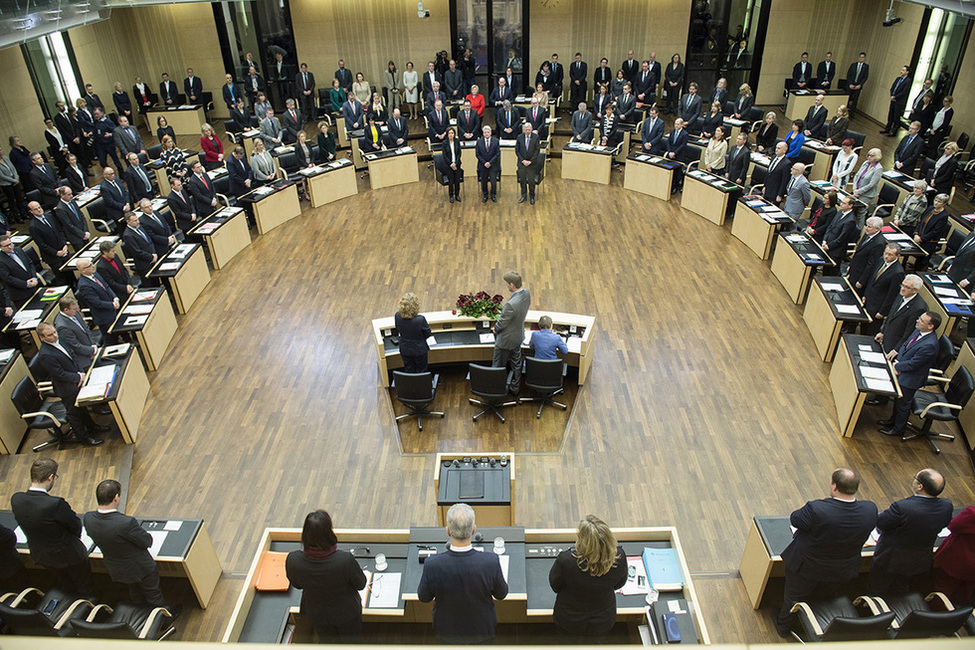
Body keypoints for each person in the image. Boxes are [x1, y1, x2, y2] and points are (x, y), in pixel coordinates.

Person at [774, 468, 877, 637]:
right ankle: (820, 620)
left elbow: (795, 519)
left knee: (793, 597)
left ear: (834, 487)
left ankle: (783, 627)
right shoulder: (869, 509)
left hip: (807, 567)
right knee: (826, 594)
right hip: (842, 568)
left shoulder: (817, 509)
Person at [417, 503, 508, 644]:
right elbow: (501, 594)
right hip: (481, 631)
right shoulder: (491, 561)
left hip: (446, 632)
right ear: (473, 530)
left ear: (448, 531)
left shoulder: (432, 564)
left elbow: (424, 597)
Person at [11, 458, 96, 595]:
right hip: (70, 556)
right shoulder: (55, 504)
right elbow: (75, 526)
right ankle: (87, 606)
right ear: (50, 477)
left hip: (42, 555)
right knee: (84, 585)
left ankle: (69, 599)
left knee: (64, 581)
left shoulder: (16, 499)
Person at [84, 479, 169, 607]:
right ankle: (164, 621)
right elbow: (146, 541)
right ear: (116, 498)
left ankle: (140, 614)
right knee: (153, 595)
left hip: (117, 568)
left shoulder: (88, 518)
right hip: (140, 568)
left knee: (134, 593)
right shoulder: (126, 523)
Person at [285, 509, 366, 641]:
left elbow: (297, 585)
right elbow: (360, 584)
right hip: (347, 613)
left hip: (317, 613)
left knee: (328, 642)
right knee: (352, 643)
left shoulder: (293, 560)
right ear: (329, 532)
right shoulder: (344, 560)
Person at [869, 469, 953, 596]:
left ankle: (874, 612)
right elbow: (944, 523)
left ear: (920, 486)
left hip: (890, 560)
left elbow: (881, 523)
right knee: (901, 588)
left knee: (878, 589)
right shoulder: (947, 506)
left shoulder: (902, 507)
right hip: (918, 560)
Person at [549, 515, 627, 639]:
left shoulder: (566, 560)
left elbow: (555, 585)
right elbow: (620, 583)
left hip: (569, 619)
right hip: (602, 620)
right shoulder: (619, 557)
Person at [876, 311, 942, 437]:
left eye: (922, 320)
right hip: (903, 368)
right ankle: (892, 421)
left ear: (930, 326)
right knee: (897, 401)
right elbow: (905, 345)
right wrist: (899, 361)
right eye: (919, 318)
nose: (917, 321)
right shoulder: (918, 331)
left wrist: (898, 366)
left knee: (903, 405)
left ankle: (898, 429)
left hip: (911, 379)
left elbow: (914, 364)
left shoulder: (930, 345)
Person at [493, 269, 531, 393]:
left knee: (498, 365)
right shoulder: (526, 294)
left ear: (512, 285)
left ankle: (497, 389)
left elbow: (502, 322)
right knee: (516, 364)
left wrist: (496, 329)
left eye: (507, 283)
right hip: (518, 336)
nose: (506, 285)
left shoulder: (510, 305)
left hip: (505, 341)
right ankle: (515, 388)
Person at [933, 506, 975, 605]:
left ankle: (936, 616)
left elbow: (953, 526)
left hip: (958, 562)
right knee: (963, 594)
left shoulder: (972, 513)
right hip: (972, 571)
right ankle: (954, 616)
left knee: (942, 592)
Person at [861, 244, 906, 334]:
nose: (886, 256)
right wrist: (865, 295)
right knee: (863, 326)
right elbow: (872, 279)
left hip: (878, 306)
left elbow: (892, 294)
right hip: (869, 300)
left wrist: (882, 311)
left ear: (898, 256)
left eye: (890, 255)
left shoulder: (898, 272)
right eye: (886, 253)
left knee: (871, 331)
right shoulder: (881, 260)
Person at [76, 257, 121, 338]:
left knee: (123, 333)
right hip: (104, 317)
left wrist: (115, 297)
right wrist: (112, 305)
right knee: (111, 340)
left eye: (92, 264)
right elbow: (97, 302)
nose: (93, 266)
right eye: (89, 266)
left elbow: (106, 286)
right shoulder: (84, 285)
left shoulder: (95, 274)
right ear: (83, 270)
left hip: (113, 310)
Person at [28, 200, 70, 277]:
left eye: (39, 207)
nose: (39, 210)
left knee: (71, 273)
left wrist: (64, 245)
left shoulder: (49, 216)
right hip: (53, 257)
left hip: (63, 250)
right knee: (61, 277)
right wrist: (56, 253)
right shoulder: (33, 226)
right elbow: (42, 244)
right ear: (31, 211)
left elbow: (60, 231)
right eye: (35, 209)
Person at [55, 297, 99, 366]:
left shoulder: (74, 313)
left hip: (91, 348)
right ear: (66, 310)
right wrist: (92, 351)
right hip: (84, 359)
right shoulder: (62, 327)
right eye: (75, 309)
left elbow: (86, 329)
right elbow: (75, 346)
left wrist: (93, 345)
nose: (78, 310)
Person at [394, 292, 432, 372]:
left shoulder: (397, 316)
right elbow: (428, 333)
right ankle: (421, 384)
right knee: (421, 371)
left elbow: (397, 328)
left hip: (405, 349)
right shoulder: (420, 319)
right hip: (419, 350)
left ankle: (411, 384)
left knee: (409, 370)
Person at [912, 194, 951, 270]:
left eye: (939, 202)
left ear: (944, 204)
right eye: (935, 200)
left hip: (929, 242)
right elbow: (921, 221)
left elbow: (935, 232)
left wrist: (921, 239)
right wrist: (916, 233)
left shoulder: (943, 216)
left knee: (921, 263)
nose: (936, 203)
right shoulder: (930, 208)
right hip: (919, 237)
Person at [0, 235, 40, 307]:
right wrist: (25, 284)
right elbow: (8, 278)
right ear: (1, 248)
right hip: (20, 294)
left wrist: (34, 277)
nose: (10, 247)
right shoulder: (1, 260)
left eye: (10, 244)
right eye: (6, 246)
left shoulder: (18, 250)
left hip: (33, 287)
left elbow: (30, 263)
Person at [847, 217, 885, 291]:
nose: (866, 228)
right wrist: (851, 265)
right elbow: (858, 251)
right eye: (866, 226)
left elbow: (871, 265)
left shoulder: (879, 244)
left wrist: (862, 281)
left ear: (877, 229)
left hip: (861, 275)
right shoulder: (868, 233)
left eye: (869, 227)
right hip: (854, 269)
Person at [820, 196, 858, 264]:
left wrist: (828, 246)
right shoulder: (840, 212)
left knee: (830, 273)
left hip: (836, 252)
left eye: (844, 203)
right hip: (827, 245)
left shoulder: (850, 220)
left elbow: (841, 238)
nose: (841, 204)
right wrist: (824, 240)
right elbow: (830, 226)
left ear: (850, 206)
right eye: (841, 202)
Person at [121, 212, 158, 281]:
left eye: (137, 219)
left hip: (152, 259)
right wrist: (151, 257)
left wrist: (154, 254)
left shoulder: (139, 227)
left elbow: (149, 241)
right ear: (128, 222)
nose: (138, 222)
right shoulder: (128, 235)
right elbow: (137, 251)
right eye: (135, 221)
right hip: (144, 265)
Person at [54, 185, 89, 251]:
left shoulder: (72, 201)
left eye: (71, 193)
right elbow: (69, 225)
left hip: (84, 233)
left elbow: (81, 215)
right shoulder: (60, 209)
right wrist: (82, 234)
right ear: (62, 195)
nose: (71, 196)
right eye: (69, 194)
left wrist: (86, 230)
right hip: (76, 237)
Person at [881, 65, 912, 136]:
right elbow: (892, 88)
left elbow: (904, 92)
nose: (901, 71)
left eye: (903, 70)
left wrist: (895, 97)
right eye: (902, 69)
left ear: (907, 72)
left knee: (896, 117)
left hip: (899, 101)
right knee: (890, 114)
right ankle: (887, 129)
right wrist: (892, 95)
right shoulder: (898, 78)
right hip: (893, 100)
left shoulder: (908, 81)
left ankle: (894, 131)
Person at [515, 123, 540, 205]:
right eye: (526, 130)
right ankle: (523, 195)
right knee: (522, 180)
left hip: (531, 164)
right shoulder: (519, 137)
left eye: (529, 130)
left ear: (531, 130)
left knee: (531, 181)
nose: (528, 131)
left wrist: (530, 161)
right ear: (524, 130)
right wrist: (523, 160)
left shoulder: (536, 137)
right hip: (522, 164)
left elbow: (537, 151)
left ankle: (532, 196)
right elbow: (517, 151)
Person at [476, 125, 500, 203]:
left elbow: (497, 153)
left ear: (491, 133)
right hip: (483, 165)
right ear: (483, 133)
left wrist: (490, 163)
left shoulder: (496, 141)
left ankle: (493, 195)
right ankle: (485, 195)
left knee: (493, 181)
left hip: (493, 165)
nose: (486, 134)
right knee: (484, 181)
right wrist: (485, 163)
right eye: (485, 132)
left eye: (488, 132)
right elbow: (477, 154)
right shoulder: (479, 142)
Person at [439, 128, 462, 203]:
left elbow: (459, 153)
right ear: (447, 134)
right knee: (451, 181)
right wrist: (451, 164)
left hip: (457, 164)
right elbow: (444, 156)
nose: (451, 135)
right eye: (449, 133)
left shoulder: (457, 141)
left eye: (452, 133)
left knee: (457, 181)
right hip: (449, 166)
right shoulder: (445, 143)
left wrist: (455, 163)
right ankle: (451, 195)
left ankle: (457, 195)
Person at [846, 52, 869, 117]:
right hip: (851, 84)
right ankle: (846, 111)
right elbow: (848, 75)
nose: (861, 59)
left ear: (864, 58)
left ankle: (852, 112)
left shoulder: (866, 67)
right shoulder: (853, 65)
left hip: (858, 85)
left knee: (855, 99)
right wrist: (850, 83)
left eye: (862, 57)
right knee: (848, 98)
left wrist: (860, 85)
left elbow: (865, 77)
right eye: (860, 57)